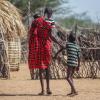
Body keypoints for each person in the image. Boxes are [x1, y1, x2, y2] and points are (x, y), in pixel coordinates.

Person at [28, 7, 62, 95]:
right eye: (51, 13)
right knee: (47, 67)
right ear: (50, 13)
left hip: (38, 45)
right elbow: (51, 36)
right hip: (47, 45)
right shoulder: (51, 21)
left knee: (40, 68)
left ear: (44, 12)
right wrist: (59, 43)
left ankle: (43, 90)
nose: (51, 15)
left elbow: (31, 32)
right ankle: (48, 89)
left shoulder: (36, 21)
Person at [54, 32, 80, 96]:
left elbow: (62, 48)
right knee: (71, 77)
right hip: (75, 63)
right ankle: (72, 92)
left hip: (70, 63)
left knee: (68, 78)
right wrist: (78, 65)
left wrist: (56, 54)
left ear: (69, 39)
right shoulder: (77, 46)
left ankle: (75, 91)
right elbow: (79, 57)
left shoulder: (68, 44)